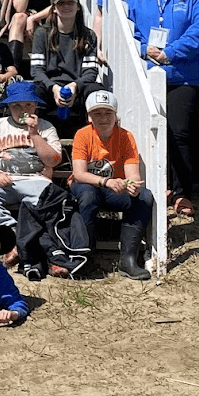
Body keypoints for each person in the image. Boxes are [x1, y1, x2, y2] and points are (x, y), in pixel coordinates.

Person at [128, 0, 199, 217]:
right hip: (148, 74)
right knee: (151, 132)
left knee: (180, 132)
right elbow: (129, 32)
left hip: (183, 76)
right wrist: (143, 49)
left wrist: (170, 52)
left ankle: (183, 192)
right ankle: (158, 186)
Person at [68, 90, 153, 281]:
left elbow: (132, 173)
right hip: (87, 185)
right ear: (89, 116)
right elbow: (79, 174)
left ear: (116, 116)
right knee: (88, 195)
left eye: (108, 113)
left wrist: (132, 185)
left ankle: (128, 259)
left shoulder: (125, 136)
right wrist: (106, 181)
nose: (103, 118)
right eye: (97, 113)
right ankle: (84, 257)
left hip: (114, 187)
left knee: (144, 197)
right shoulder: (83, 135)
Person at [0, 81, 63, 233]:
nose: (23, 110)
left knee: (51, 199)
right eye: (17, 106)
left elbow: (53, 161)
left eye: (28, 105)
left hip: (35, 180)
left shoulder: (46, 127)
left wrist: (34, 134)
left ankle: (28, 236)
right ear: (9, 107)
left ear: (35, 105)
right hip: (4, 180)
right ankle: (10, 231)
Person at [29, 0, 100, 136]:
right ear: (54, 8)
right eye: (61, 3)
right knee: (34, 91)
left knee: (95, 91)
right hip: (50, 87)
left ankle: (91, 137)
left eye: (70, 3)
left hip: (77, 88)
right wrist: (53, 88)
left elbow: (91, 72)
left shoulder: (88, 35)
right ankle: (36, 136)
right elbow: (36, 71)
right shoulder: (42, 33)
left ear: (78, 7)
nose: (66, 7)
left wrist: (75, 86)